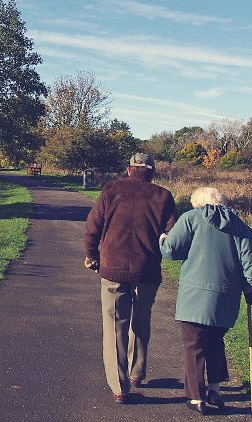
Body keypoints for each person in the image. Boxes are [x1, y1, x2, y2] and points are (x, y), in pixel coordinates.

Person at [159, 187, 252, 415]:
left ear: (198, 203)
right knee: (215, 341)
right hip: (226, 298)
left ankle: (196, 397)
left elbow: (170, 251)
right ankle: (214, 388)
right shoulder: (239, 225)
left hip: (194, 297)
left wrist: (163, 238)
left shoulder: (191, 218)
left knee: (194, 345)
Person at [84, 152, 177, 404]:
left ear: (128, 170)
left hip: (113, 268)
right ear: (152, 173)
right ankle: (137, 372)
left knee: (115, 325)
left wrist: (91, 255)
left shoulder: (110, 190)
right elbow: (172, 234)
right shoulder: (163, 196)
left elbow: (93, 226)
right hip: (147, 270)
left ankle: (119, 386)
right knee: (142, 320)